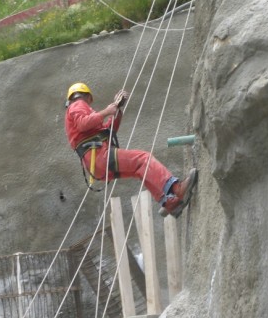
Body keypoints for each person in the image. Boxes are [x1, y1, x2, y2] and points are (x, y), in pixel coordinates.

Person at [64, 82, 197, 217]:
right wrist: (106, 111)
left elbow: (109, 132)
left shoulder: (81, 122)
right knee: (143, 159)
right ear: (87, 96)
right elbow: (83, 123)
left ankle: (169, 203)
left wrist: (117, 109)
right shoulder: (77, 104)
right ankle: (176, 188)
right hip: (99, 156)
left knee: (140, 169)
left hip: (96, 164)